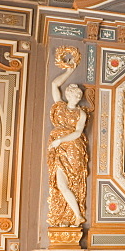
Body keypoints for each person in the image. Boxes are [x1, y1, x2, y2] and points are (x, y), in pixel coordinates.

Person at [47, 79, 88, 227]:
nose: (76, 98)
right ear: (68, 95)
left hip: (72, 148)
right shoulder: (60, 107)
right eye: (74, 95)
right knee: (62, 185)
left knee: (70, 183)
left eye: (78, 96)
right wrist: (70, 70)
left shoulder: (81, 113)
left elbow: (78, 133)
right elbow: (54, 84)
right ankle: (76, 215)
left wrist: (60, 140)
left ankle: (76, 215)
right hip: (60, 148)